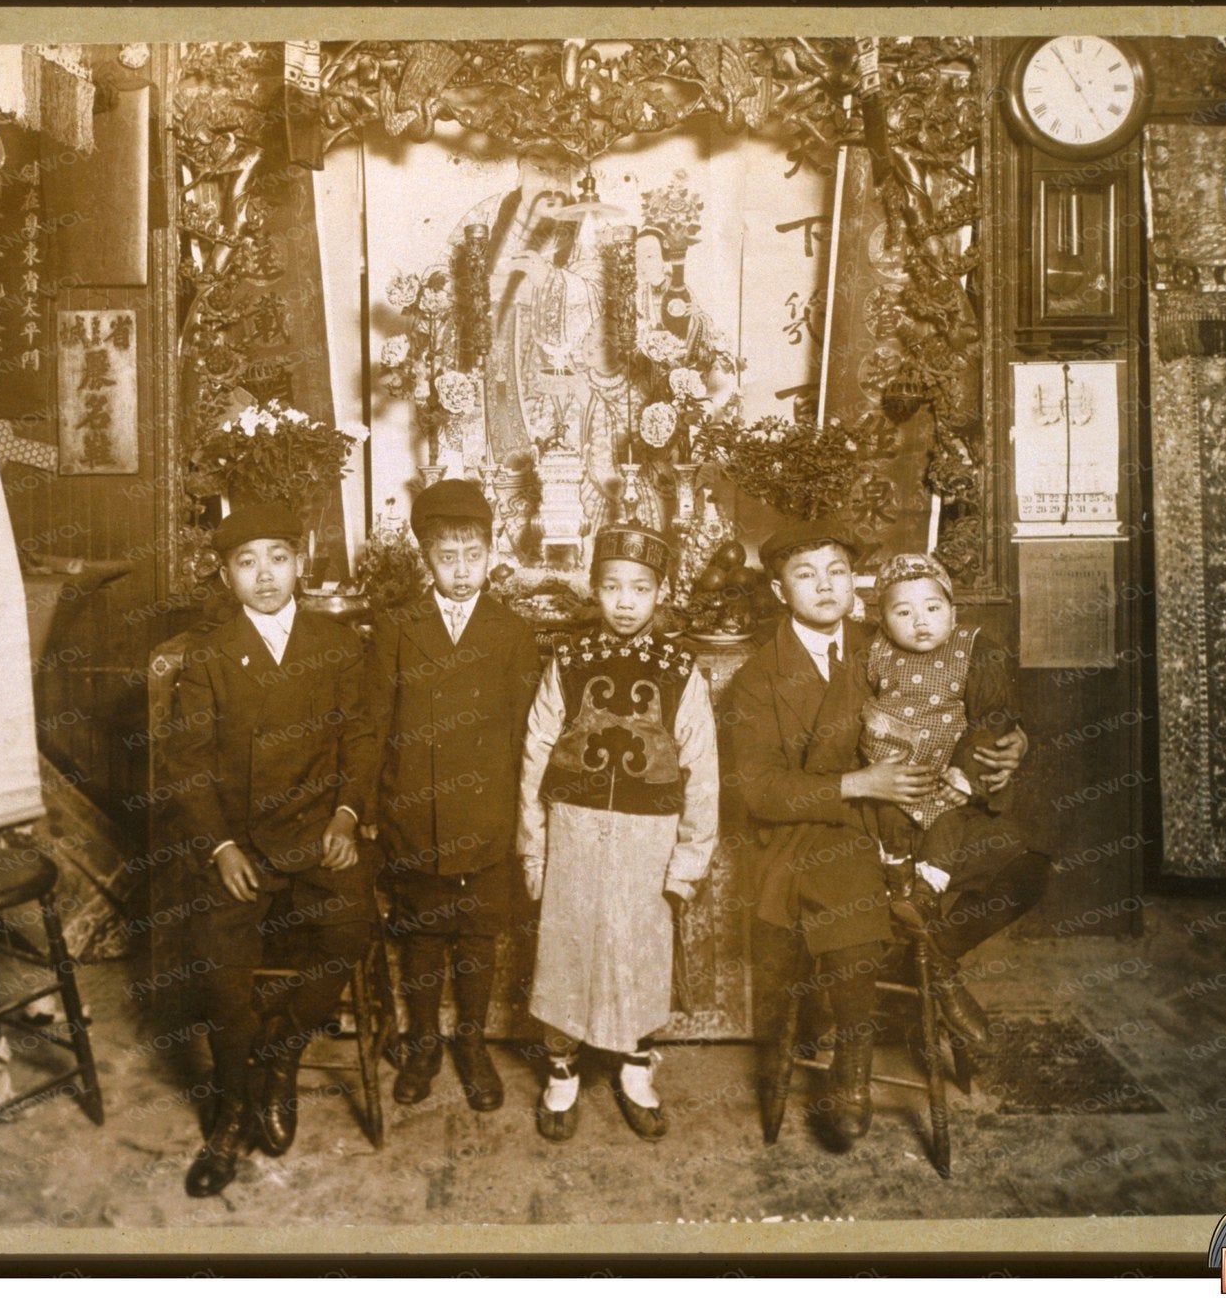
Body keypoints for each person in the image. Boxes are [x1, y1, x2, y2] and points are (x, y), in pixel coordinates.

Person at [713, 519, 1030, 1149]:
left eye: (835, 571)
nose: (824, 586)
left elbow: (969, 704)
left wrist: (1013, 745)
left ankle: (929, 962)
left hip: (916, 814)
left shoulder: (888, 638)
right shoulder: (758, 678)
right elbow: (755, 788)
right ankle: (857, 1055)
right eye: (805, 575)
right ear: (780, 590)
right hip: (813, 826)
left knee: (1024, 863)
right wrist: (858, 785)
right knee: (850, 882)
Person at [161, 502, 382, 1198]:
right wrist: (221, 845)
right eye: (247, 562)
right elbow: (187, 763)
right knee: (223, 973)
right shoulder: (210, 654)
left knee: (353, 927)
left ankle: (282, 1048)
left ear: (300, 561)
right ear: (226, 575)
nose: (265, 575)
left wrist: (346, 818)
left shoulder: (337, 641)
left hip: (318, 835)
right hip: (239, 842)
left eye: (277, 558)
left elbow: (364, 739)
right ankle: (229, 1111)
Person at [516, 524, 719, 1142]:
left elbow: (702, 768)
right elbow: (535, 753)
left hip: (647, 840)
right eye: (611, 587)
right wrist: (534, 849)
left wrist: (687, 863)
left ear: (661, 592)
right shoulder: (568, 663)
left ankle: (635, 1067)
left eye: (640, 588)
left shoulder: (681, 670)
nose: (625, 601)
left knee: (641, 948)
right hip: (574, 832)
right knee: (566, 948)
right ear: (594, 590)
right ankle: (561, 1070)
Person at [364, 480, 543, 1111]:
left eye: (473, 554)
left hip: (487, 813)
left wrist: (525, 819)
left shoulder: (515, 632)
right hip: (413, 811)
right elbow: (373, 726)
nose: (462, 569)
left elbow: (529, 734)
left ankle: (470, 1042)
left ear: (492, 552)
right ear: (425, 558)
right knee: (422, 932)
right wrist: (367, 810)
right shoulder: (395, 627)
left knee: (476, 935)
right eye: (447, 557)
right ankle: (423, 1041)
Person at [858, 552, 1049, 1045]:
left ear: (952, 610)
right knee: (888, 842)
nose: (920, 622)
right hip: (881, 789)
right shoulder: (869, 652)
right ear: (880, 616)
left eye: (932, 608)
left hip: (951, 782)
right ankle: (933, 972)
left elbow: (994, 716)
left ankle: (924, 940)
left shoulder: (975, 648)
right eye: (902, 611)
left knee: (1023, 864)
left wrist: (971, 771)